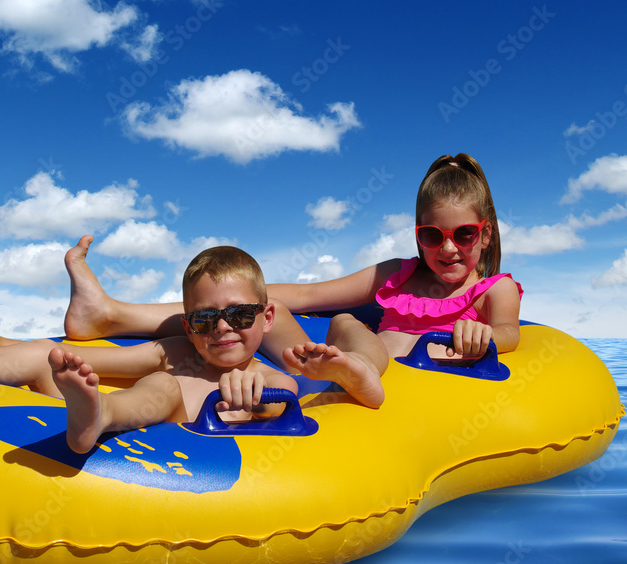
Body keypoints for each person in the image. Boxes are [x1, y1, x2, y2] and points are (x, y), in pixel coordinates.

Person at [38, 153, 521, 408]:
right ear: (418, 234)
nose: (448, 248)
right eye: (432, 235)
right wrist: (249, 300)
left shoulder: (491, 290)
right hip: (349, 359)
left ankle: (353, 370)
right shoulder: (398, 274)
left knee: (351, 325)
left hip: (387, 373)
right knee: (309, 315)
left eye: (463, 234)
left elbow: (509, 332)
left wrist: (482, 335)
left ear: (486, 232)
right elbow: (312, 295)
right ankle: (110, 314)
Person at [0, 246, 297, 455]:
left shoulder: (273, 380)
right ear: (188, 326)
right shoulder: (172, 352)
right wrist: (1, 344)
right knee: (139, 377)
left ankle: (99, 415)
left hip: (176, 430)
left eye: (238, 316)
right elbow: (72, 357)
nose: (220, 328)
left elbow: (287, 397)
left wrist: (256, 396)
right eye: (202, 319)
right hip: (113, 408)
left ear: (267, 318)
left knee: (164, 391)